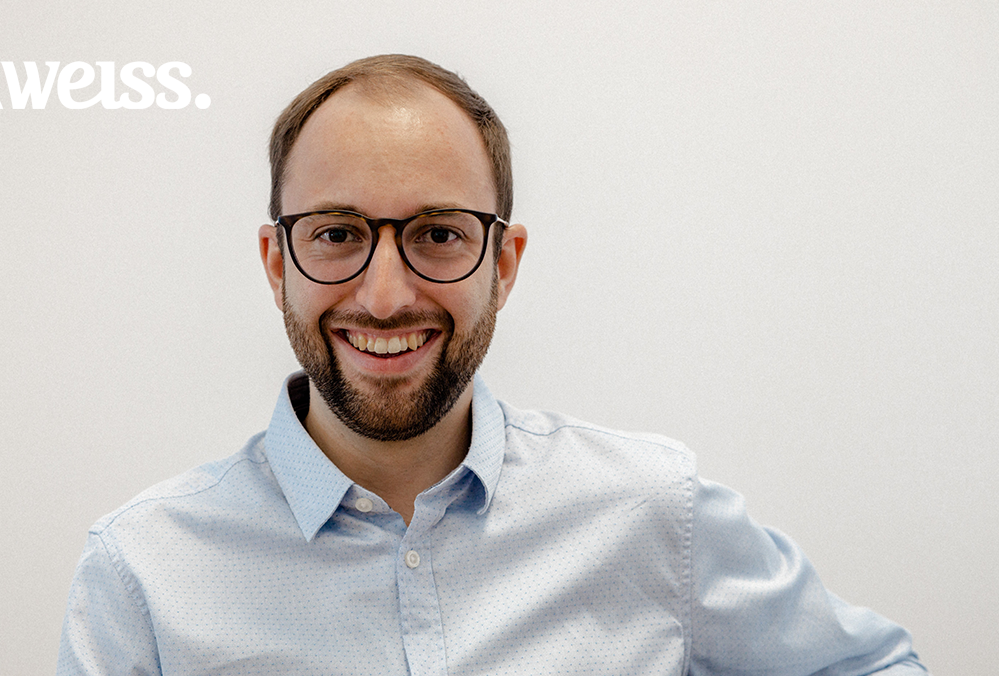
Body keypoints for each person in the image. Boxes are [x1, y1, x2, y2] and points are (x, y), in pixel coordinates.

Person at [57, 54, 928, 675]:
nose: (386, 298)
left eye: (438, 233)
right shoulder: (144, 575)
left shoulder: (655, 513)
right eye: (337, 234)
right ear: (277, 263)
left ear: (503, 265)